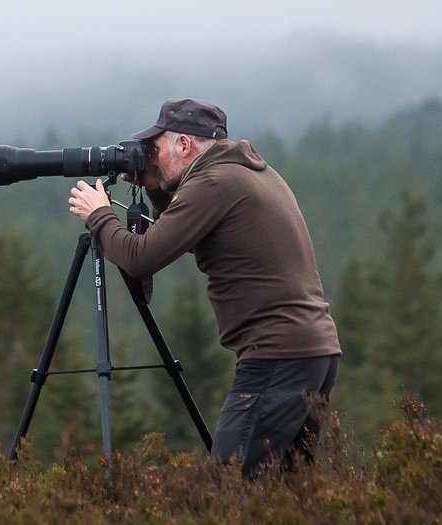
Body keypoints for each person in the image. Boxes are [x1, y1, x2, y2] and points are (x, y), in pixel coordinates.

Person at [68, 98, 341, 479]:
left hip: (276, 356)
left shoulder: (211, 185)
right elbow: (183, 232)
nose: (150, 158)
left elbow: (142, 257)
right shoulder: (244, 172)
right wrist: (157, 187)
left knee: (227, 488)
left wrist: (99, 215)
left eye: (156, 150)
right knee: (285, 493)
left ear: (184, 146)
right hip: (313, 353)